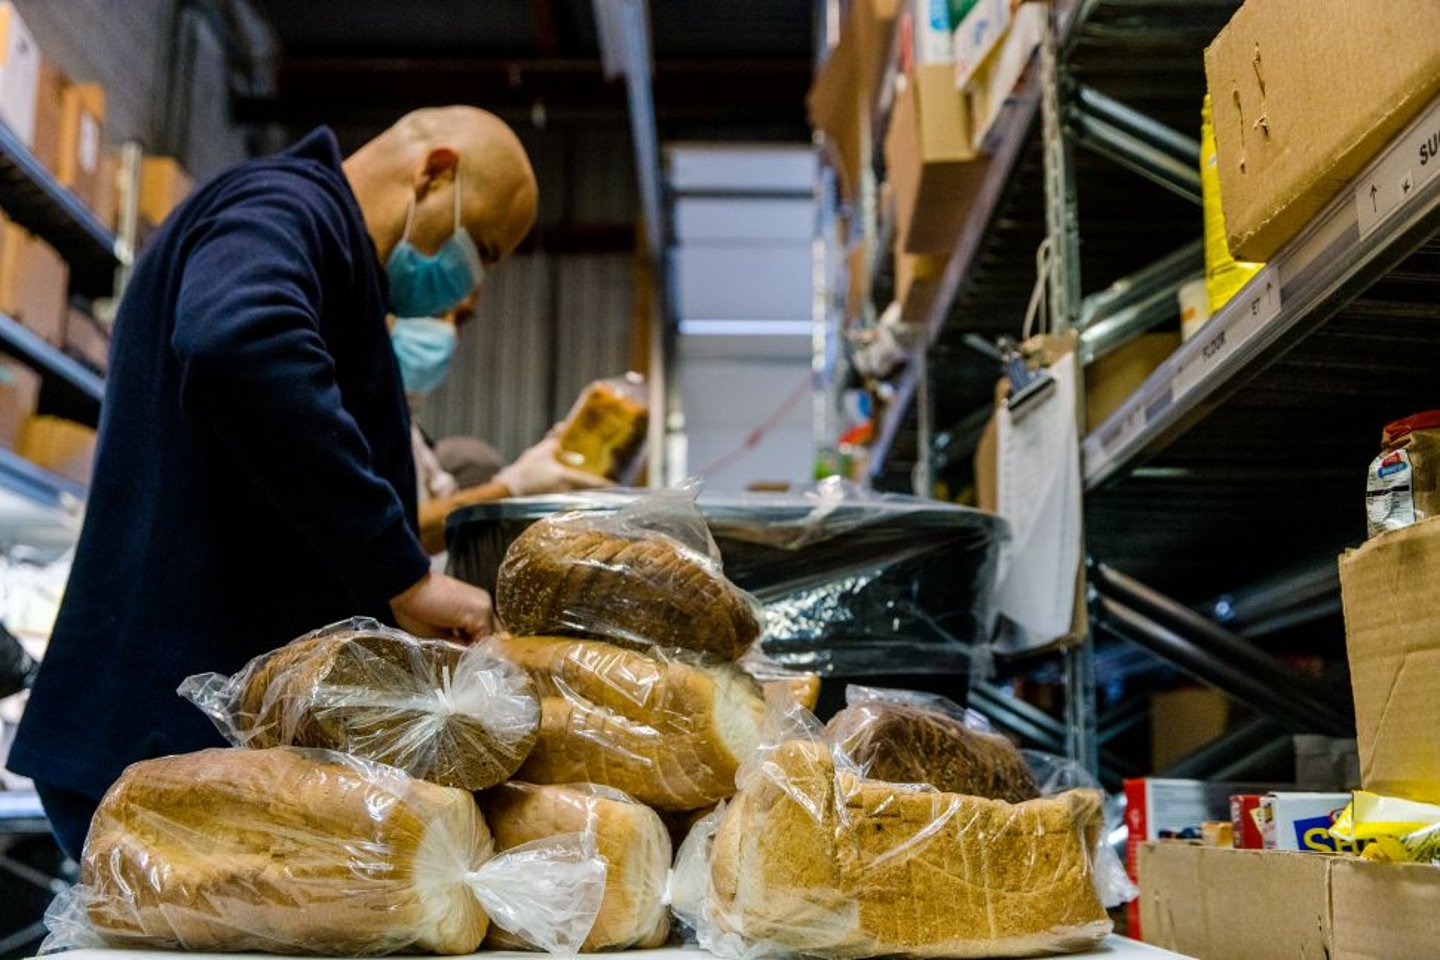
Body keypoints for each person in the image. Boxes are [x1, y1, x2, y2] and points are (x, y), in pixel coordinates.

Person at [8, 106, 537, 861]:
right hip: (164, 742)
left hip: (200, 746)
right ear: (435, 171)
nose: (470, 278)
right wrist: (401, 573)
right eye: (479, 246)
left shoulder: (331, 260)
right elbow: (239, 340)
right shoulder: (287, 207)